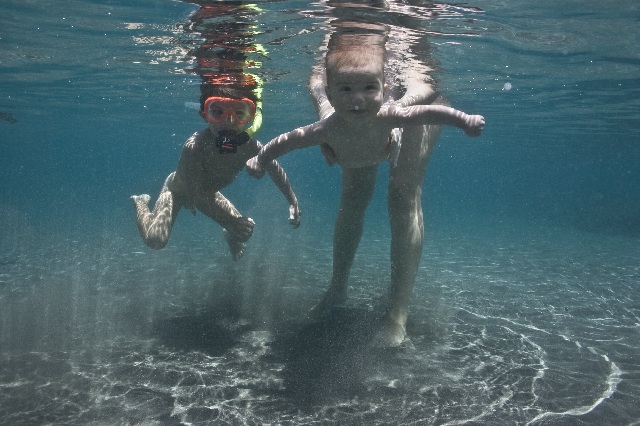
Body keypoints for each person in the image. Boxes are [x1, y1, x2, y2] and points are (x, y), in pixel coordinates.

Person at [245, 26, 484, 346]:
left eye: (369, 86)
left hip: (406, 102)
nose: (356, 95)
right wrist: (329, 125)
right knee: (354, 194)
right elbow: (304, 115)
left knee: (403, 194)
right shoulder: (331, 82)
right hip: (353, 119)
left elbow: (426, 90)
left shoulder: (405, 44)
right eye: (343, 88)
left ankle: (397, 314)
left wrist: (397, 114)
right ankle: (337, 289)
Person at [132, 84, 301, 260]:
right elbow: (194, 195)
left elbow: (274, 168)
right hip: (178, 191)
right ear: (204, 115)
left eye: (240, 113)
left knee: (243, 233)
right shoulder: (195, 146)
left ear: (249, 118)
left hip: (207, 193)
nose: (229, 121)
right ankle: (140, 202)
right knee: (156, 240)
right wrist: (231, 222)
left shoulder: (250, 147)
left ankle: (230, 235)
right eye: (218, 112)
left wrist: (292, 201)